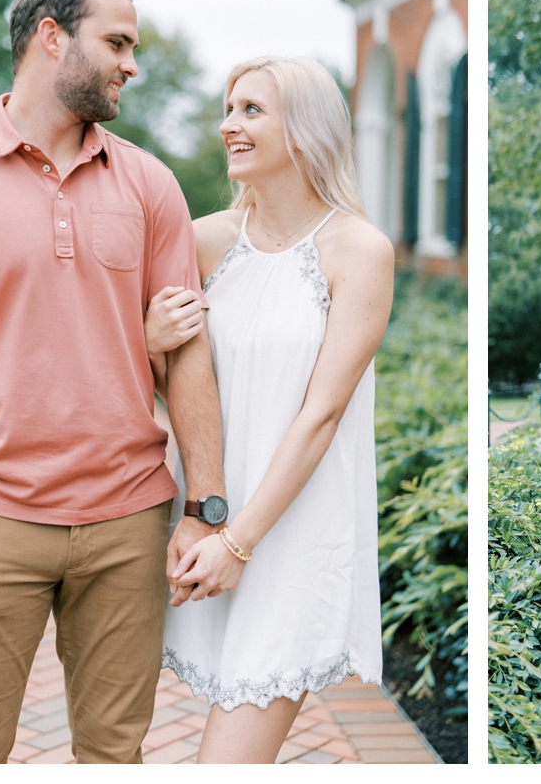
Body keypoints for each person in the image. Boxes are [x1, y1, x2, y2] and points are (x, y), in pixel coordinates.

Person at [0, 0, 229, 762]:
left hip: (128, 522)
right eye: (118, 41)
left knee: (114, 753)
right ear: (51, 35)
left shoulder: (151, 184)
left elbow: (188, 354)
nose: (131, 63)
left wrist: (205, 504)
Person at [142, 55, 394, 763]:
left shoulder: (360, 250)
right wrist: (148, 342)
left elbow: (322, 414)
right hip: (203, 522)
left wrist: (240, 542)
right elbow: (169, 386)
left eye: (252, 110)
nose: (229, 126)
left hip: (290, 535)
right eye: (229, 109)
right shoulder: (201, 240)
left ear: (305, 128)